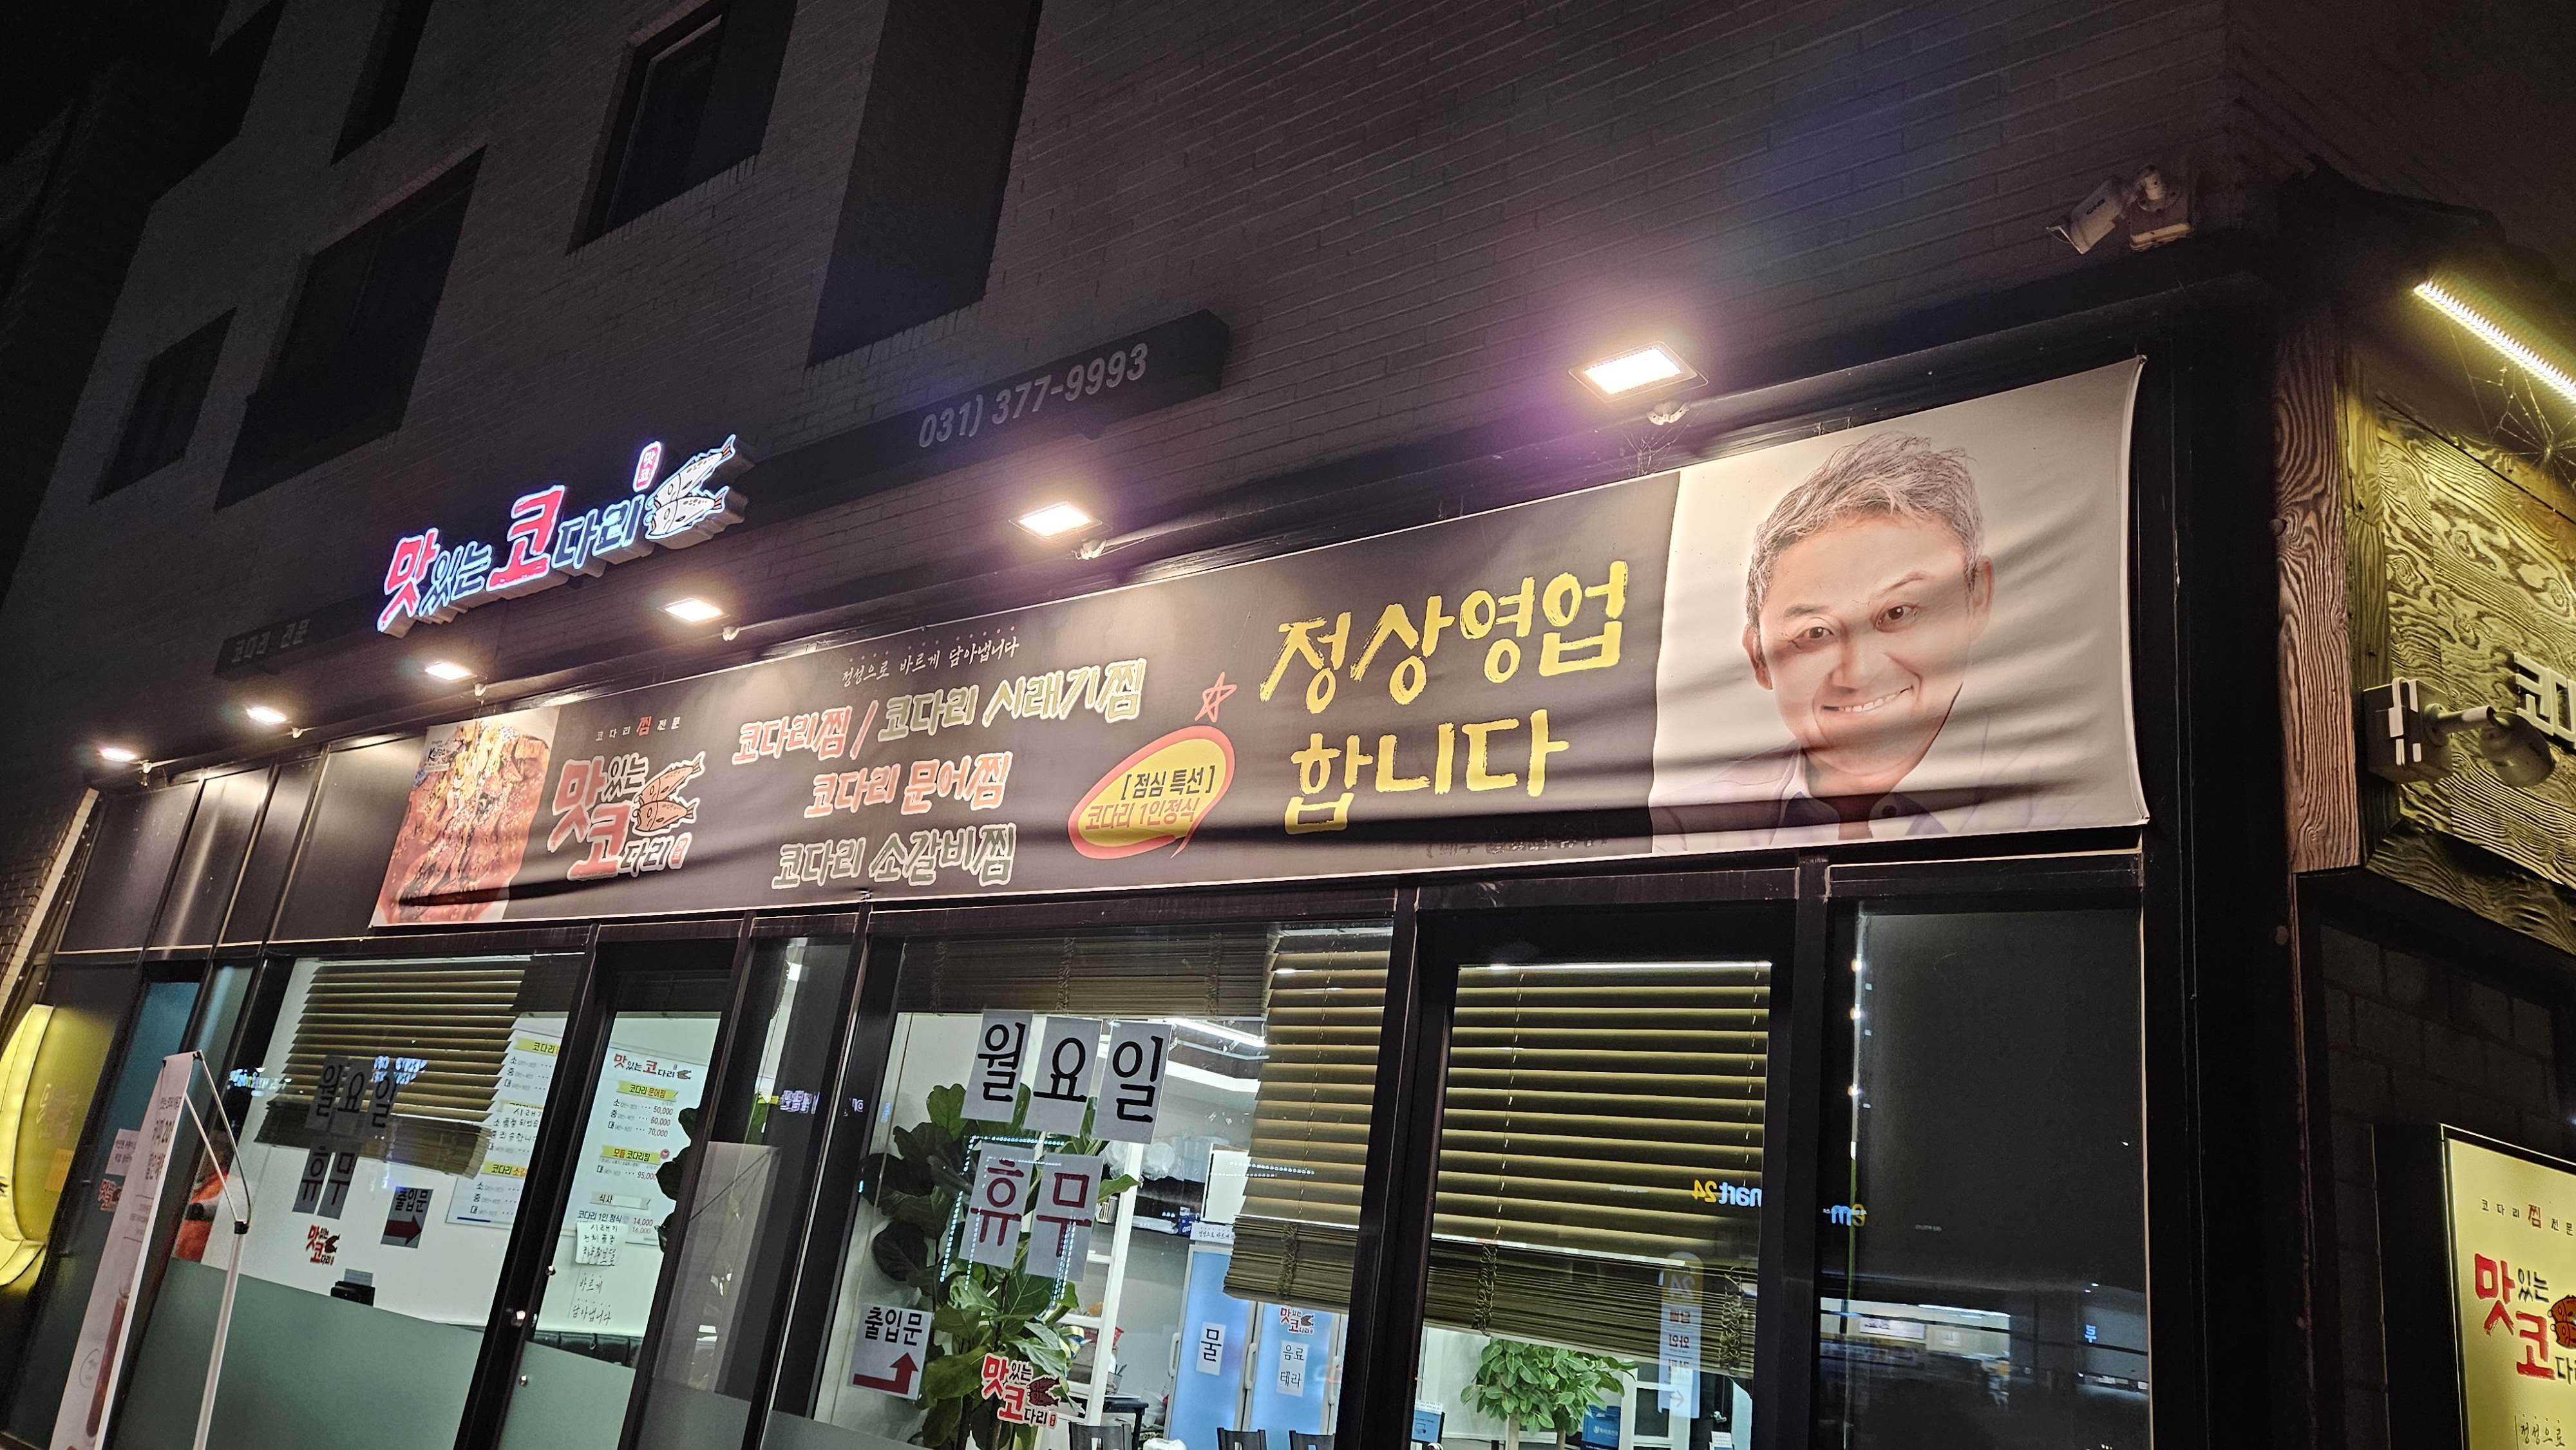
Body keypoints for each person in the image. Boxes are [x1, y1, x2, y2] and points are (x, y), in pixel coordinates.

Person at [1725, 431, 1993, 842]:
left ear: (1977, 599)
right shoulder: (1681, 824)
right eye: (1816, 633)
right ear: (1759, 658)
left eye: (1898, 613)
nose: (1860, 673)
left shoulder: (2069, 798)